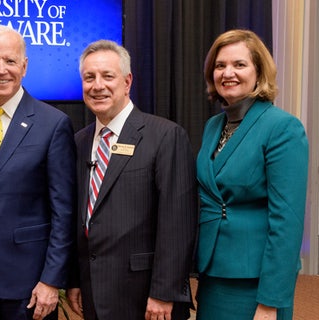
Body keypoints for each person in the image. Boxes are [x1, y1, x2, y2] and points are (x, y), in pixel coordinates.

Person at [66, 40, 197, 320]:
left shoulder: (165, 136)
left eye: (107, 76)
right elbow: (80, 219)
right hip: (94, 289)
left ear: (127, 82)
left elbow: (178, 222)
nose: (97, 85)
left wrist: (164, 292)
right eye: (89, 77)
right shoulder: (78, 142)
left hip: (146, 295)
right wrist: (75, 279)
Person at [0, 25, 76, 320]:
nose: (1, 70)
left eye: (10, 60)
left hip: (29, 283)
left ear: (24, 65)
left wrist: (51, 280)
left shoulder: (53, 123)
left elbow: (64, 212)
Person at [195, 29, 308, 320]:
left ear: (259, 73)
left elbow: (287, 221)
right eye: (220, 66)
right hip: (214, 271)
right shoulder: (213, 126)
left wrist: (271, 301)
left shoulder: (282, 127)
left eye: (239, 64)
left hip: (257, 280)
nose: (227, 73)